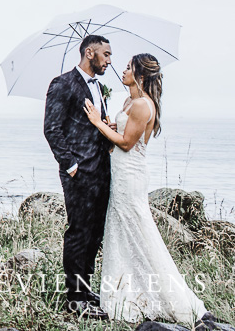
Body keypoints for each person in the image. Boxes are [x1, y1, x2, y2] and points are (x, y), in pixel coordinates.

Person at [84, 53, 208, 325]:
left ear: (140, 75)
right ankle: (127, 293)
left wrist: (97, 123)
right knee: (122, 230)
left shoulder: (142, 105)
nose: (123, 70)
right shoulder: (130, 101)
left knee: (138, 229)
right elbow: (124, 136)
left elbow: (127, 144)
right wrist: (110, 126)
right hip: (121, 170)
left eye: (128, 67)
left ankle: (174, 299)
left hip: (131, 173)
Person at [43, 34, 113, 319]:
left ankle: (85, 288)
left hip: (102, 170)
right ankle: (75, 298)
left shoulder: (98, 87)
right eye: (106, 54)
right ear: (89, 53)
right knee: (79, 231)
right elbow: (52, 129)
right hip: (79, 173)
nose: (109, 60)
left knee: (95, 232)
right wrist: (70, 165)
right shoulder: (62, 84)